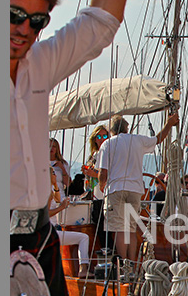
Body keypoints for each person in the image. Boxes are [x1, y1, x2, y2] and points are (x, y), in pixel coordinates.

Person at [10, 0, 127, 296]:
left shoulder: (40, 63)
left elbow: (102, 21)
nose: (24, 29)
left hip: (33, 242)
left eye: (36, 21)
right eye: (12, 15)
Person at [98, 112, 179, 261]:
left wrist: (102, 185)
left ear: (112, 130)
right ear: (127, 128)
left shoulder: (107, 144)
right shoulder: (137, 140)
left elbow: (103, 172)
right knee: (131, 228)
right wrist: (170, 123)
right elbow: (159, 139)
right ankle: (133, 263)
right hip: (135, 189)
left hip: (116, 188)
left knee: (119, 229)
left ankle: (123, 263)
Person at [48, 170, 93, 278]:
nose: (56, 175)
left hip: (52, 230)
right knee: (84, 238)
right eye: (53, 173)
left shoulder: (49, 190)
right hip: (50, 231)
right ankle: (83, 269)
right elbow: (45, 214)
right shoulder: (46, 192)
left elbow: (57, 199)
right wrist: (61, 207)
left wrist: (55, 185)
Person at [82, 124, 112, 249]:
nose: (101, 138)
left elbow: (109, 173)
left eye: (104, 136)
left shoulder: (110, 153)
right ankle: (103, 251)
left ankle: (109, 251)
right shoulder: (94, 155)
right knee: (98, 225)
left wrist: (92, 173)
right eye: (98, 136)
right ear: (94, 139)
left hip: (105, 194)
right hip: (95, 194)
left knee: (104, 227)